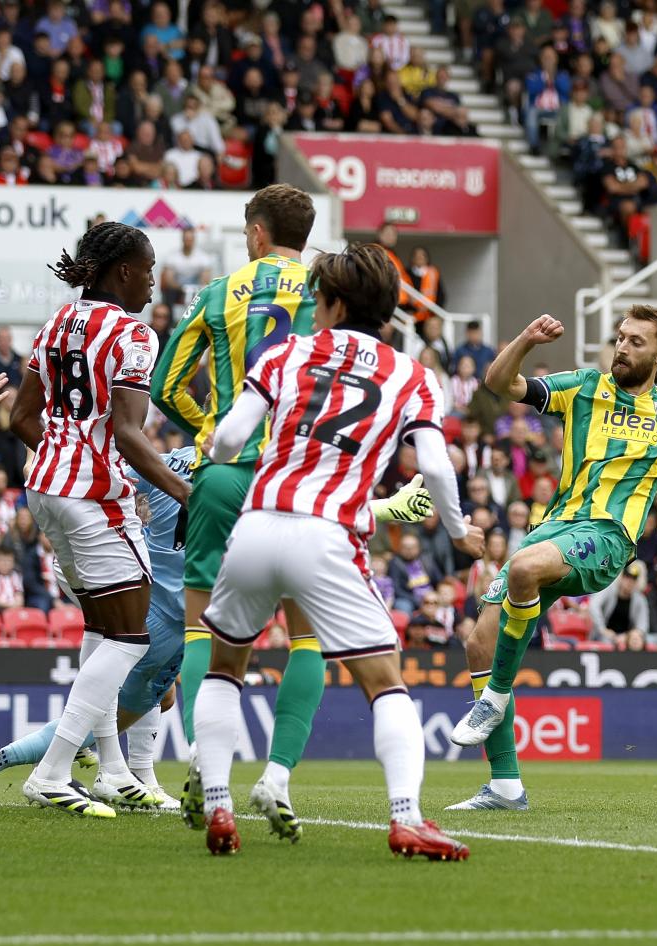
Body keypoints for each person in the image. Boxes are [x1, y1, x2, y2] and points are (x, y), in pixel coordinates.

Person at [190, 243, 480, 859]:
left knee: (223, 669)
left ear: (336, 302)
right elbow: (434, 463)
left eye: (317, 300)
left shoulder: (286, 352)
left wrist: (219, 454)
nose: (312, 310)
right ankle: (406, 817)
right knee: (386, 683)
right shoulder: (414, 376)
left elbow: (230, 438)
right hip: (328, 534)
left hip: (257, 524)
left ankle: (218, 806)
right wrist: (457, 531)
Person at [450, 307, 657, 810]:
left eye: (636, 341)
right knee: (479, 641)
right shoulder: (584, 387)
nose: (622, 347)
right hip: (555, 529)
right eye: (620, 338)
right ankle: (505, 786)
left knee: (521, 568)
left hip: (607, 538)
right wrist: (526, 339)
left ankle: (494, 700)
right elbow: (500, 383)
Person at [150, 184, 325, 836]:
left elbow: (168, 385)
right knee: (305, 636)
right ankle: (277, 777)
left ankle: (202, 758)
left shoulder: (220, 291)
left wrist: (210, 426)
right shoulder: (327, 288)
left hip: (224, 476)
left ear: (255, 232)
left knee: (204, 630)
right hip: (301, 478)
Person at [9, 220, 190, 816]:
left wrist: (68, 459)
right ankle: (53, 770)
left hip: (45, 490)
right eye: (148, 268)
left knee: (100, 629)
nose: (152, 280)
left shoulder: (55, 324)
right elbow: (131, 437)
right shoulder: (134, 334)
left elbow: (20, 419)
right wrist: (187, 494)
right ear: (122, 272)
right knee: (131, 636)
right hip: (93, 497)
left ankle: (112, 770)